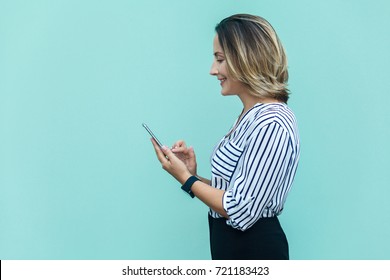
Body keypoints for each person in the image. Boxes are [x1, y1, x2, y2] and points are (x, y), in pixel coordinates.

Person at [151, 14, 300, 260]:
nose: (213, 70)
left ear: (246, 59)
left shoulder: (272, 123)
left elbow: (240, 209)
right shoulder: (250, 116)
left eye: (220, 59)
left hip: (254, 253)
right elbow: (235, 193)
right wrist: (191, 174)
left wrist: (186, 179)